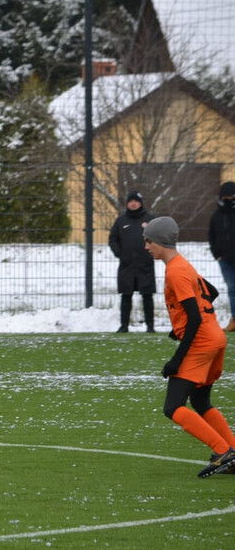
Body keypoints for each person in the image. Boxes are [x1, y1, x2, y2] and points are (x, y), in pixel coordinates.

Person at [144, 216, 235, 477]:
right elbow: (212, 292)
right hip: (215, 337)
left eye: (149, 241)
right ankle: (234, 451)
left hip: (202, 342)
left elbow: (194, 317)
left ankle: (223, 451)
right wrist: (180, 326)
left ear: (160, 241)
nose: (146, 247)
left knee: (173, 407)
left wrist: (176, 359)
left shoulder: (175, 270)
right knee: (200, 400)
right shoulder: (183, 264)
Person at [109, 190, 156, 333]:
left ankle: (150, 326)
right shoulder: (121, 221)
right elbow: (113, 239)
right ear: (127, 203)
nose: (133, 203)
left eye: (136, 201)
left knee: (147, 295)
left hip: (145, 264)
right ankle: (124, 326)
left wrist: (152, 252)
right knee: (126, 294)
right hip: (127, 265)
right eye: (130, 201)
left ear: (141, 203)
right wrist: (120, 253)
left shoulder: (150, 219)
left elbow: (159, 236)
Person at [208, 181, 235, 332]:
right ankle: (234, 319)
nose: (227, 199)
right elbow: (211, 236)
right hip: (224, 259)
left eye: (230, 196)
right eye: (225, 196)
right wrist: (217, 254)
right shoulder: (216, 216)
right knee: (232, 289)